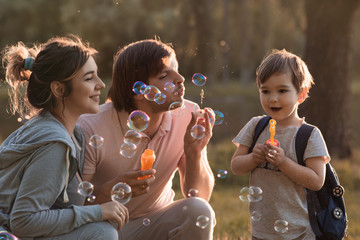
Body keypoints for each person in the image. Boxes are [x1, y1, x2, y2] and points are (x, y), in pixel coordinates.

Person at [77, 39, 216, 239]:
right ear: (139, 92)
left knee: (198, 210)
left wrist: (194, 153)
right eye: (164, 75)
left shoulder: (189, 115)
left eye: (176, 69)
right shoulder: (90, 126)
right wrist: (110, 191)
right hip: (103, 228)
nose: (180, 78)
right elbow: (73, 204)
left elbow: (200, 196)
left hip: (156, 222)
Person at [0, 35, 129, 240]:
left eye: (97, 75)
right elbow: (23, 221)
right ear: (59, 89)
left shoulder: (64, 131)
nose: (100, 85)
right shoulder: (55, 144)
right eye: (89, 78)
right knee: (102, 233)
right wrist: (98, 211)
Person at [231, 49, 330, 240]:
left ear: (301, 94)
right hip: (262, 229)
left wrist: (283, 162)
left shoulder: (309, 135)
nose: (273, 98)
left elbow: (317, 181)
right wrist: (253, 157)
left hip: (301, 230)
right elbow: (236, 166)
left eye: (282, 90)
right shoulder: (256, 126)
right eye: (265, 91)